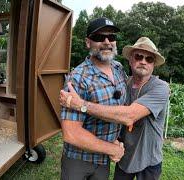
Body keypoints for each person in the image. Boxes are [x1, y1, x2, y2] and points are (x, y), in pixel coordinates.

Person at [60, 37, 170, 180]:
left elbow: (129, 116)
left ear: (153, 64)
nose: (143, 61)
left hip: (148, 160)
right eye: (138, 56)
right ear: (130, 59)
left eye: (149, 59)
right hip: (124, 155)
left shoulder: (160, 88)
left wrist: (81, 105)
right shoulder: (123, 82)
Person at [60, 17, 128, 180]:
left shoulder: (118, 69)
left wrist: (155, 84)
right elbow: (71, 133)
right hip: (79, 159)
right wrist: (112, 149)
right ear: (88, 42)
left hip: (103, 160)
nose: (107, 42)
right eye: (99, 37)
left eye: (111, 37)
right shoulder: (77, 78)